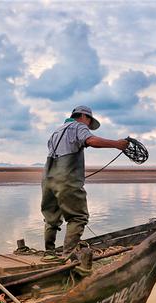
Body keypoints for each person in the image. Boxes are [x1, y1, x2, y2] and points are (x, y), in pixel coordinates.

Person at [41, 106, 129, 260]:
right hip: (66, 180)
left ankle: (49, 253)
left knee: (51, 219)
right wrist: (116, 144)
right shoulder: (78, 126)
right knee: (78, 217)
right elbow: (91, 140)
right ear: (84, 116)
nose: (88, 126)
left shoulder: (56, 131)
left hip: (48, 179)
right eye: (89, 121)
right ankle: (67, 257)